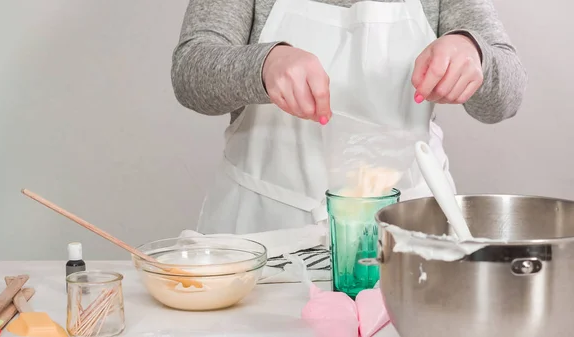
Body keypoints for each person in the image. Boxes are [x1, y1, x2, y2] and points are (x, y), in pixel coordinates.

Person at [172, 0, 526, 235]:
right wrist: (263, 65)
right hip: (261, 235)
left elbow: (505, 97)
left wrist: (473, 51)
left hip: (405, 240)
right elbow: (190, 70)